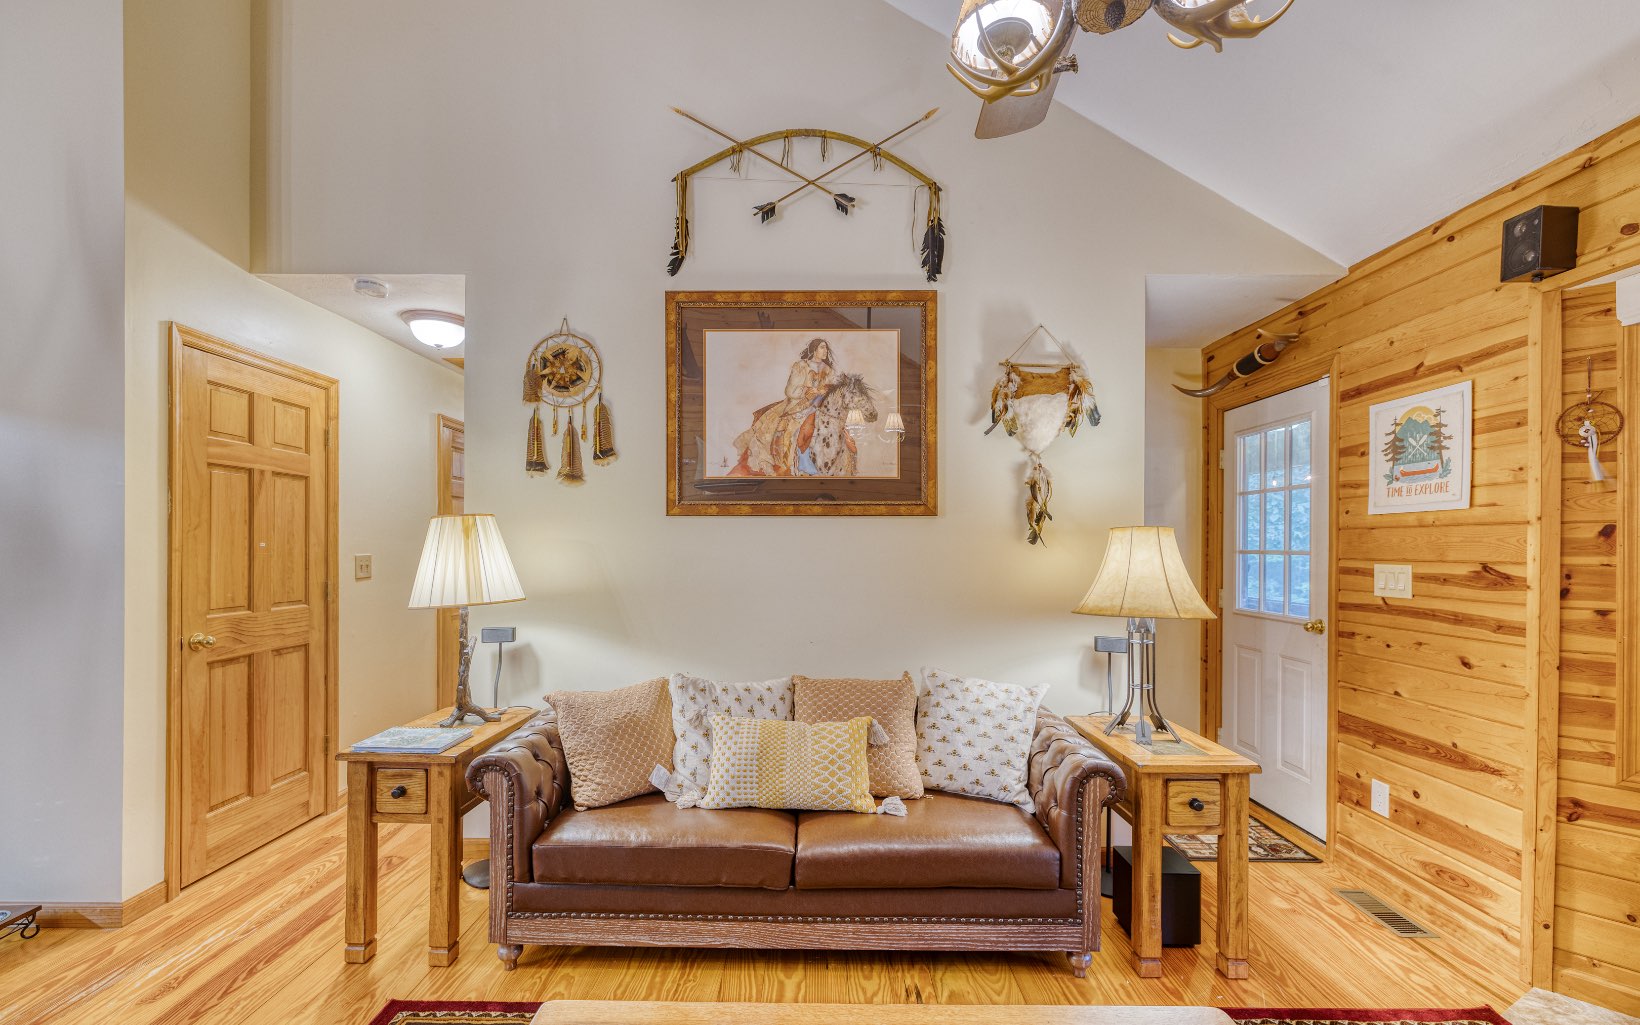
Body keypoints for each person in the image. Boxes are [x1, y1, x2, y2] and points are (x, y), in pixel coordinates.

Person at [732, 338, 838, 476]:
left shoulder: (828, 370)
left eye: (826, 348)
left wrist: (822, 392)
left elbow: (829, 390)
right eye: (822, 347)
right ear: (814, 349)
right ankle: (801, 461)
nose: (825, 351)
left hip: (820, 403)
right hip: (798, 404)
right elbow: (790, 391)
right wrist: (808, 390)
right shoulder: (801, 366)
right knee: (795, 427)